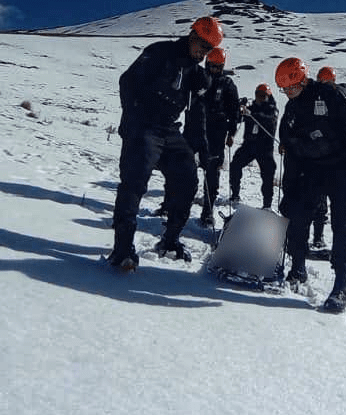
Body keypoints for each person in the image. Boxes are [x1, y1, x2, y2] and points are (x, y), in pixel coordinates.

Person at [107, 16, 222, 271]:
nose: (204, 53)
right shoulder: (160, 52)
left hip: (169, 129)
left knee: (188, 177)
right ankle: (122, 248)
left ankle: (170, 241)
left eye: (209, 50)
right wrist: (133, 119)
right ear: (193, 36)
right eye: (202, 46)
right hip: (143, 125)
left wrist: (200, 146)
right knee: (135, 180)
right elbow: (127, 83)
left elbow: (197, 114)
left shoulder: (196, 72)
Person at [275, 57, 346, 313]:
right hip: (312, 168)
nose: (288, 93)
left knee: (342, 224)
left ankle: (341, 285)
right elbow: (289, 144)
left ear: (302, 80)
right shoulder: (292, 109)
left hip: (342, 167)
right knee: (299, 215)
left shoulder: (329, 94)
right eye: (284, 90)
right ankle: (297, 268)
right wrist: (290, 189)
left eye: (291, 88)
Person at [309, 66, 346, 250]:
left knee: (332, 208)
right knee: (329, 207)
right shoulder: (343, 97)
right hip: (329, 160)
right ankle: (320, 239)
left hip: (335, 161)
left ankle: (322, 240)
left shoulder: (339, 98)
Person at [190, 46, 240, 225]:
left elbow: (234, 111)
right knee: (183, 167)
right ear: (207, 63)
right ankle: (172, 205)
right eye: (212, 66)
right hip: (194, 128)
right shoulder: (196, 78)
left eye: (218, 67)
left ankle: (207, 211)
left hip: (217, 133)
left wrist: (232, 133)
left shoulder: (227, 84)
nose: (215, 70)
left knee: (212, 172)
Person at [228, 84, 279, 208]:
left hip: (265, 148)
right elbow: (239, 118)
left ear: (268, 96)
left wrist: (251, 114)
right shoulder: (252, 108)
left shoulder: (272, 110)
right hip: (249, 145)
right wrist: (239, 108)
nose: (260, 98)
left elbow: (268, 119)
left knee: (267, 174)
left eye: (263, 95)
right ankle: (235, 194)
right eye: (258, 95)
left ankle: (267, 204)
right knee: (235, 165)